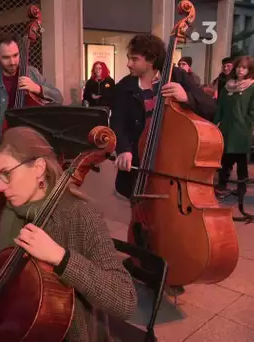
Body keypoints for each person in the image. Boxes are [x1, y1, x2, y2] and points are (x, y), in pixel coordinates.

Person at [0, 126, 137, 341]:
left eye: (7, 175)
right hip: (9, 318)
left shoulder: (80, 216)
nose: (0, 188)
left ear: (38, 168)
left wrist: (61, 258)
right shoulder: (13, 209)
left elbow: (125, 300)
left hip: (61, 333)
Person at [110, 34, 216, 295]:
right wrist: (123, 149)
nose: (128, 63)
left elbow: (211, 109)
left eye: (134, 59)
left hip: (172, 164)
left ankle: (172, 262)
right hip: (140, 162)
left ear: (151, 59)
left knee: (169, 218)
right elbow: (118, 122)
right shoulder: (125, 86)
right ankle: (143, 260)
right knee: (143, 216)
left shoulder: (178, 77)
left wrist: (187, 97)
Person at [0, 33, 63, 219]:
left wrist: (37, 89)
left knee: (36, 197)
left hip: (31, 150)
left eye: (15, 55)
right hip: (2, 145)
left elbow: (58, 97)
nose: (13, 62)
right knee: (4, 201)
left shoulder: (32, 73)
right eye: (6, 57)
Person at [214, 55, 254, 198]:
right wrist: (215, 123)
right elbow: (220, 108)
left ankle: (241, 189)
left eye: (243, 68)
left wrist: (246, 123)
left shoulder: (251, 87)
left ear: (249, 70)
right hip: (226, 128)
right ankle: (221, 186)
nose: (240, 70)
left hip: (242, 130)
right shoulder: (227, 86)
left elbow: (252, 110)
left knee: (241, 161)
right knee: (225, 159)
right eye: (238, 67)